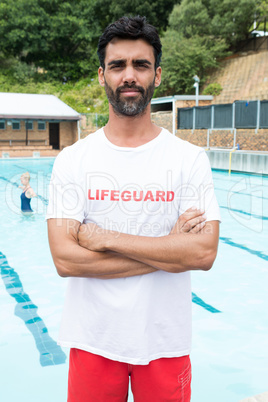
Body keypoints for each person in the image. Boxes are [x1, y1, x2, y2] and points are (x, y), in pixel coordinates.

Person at [47, 16, 220, 402]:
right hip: (93, 340)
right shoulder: (74, 160)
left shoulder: (189, 159)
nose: (129, 75)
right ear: (101, 75)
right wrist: (170, 250)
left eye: (140, 65)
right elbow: (65, 260)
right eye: (117, 65)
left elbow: (203, 253)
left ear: (156, 75)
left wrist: (104, 238)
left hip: (164, 342)